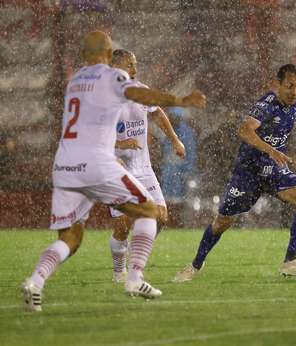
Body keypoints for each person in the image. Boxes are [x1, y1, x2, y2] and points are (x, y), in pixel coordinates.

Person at [21, 31, 206, 312]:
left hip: (65, 164)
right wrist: (179, 99)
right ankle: (134, 277)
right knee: (149, 211)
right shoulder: (111, 77)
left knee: (71, 237)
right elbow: (137, 93)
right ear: (109, 55)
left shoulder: (76, 82)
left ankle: (35, 281)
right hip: (97, 161)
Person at [173, 64, 296, 283]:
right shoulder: (266, 104)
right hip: (249, 172)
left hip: (275, 169)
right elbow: (245, 130)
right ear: (278, 84)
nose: (295, 91)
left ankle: (290, 261)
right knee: (222, 222)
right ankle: (195, 265)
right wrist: (271, 150)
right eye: (290, 86)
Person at [108, 49, 186, 283]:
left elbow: (158, 113)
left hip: (144, 170)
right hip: (116, 170)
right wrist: (121, 142)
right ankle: (118, 271)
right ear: (116, 67)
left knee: (161, 217)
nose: (135, 69)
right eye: (130, 64)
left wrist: (174, 140)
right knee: (122, 227)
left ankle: (137, 252)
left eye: (135, 64)